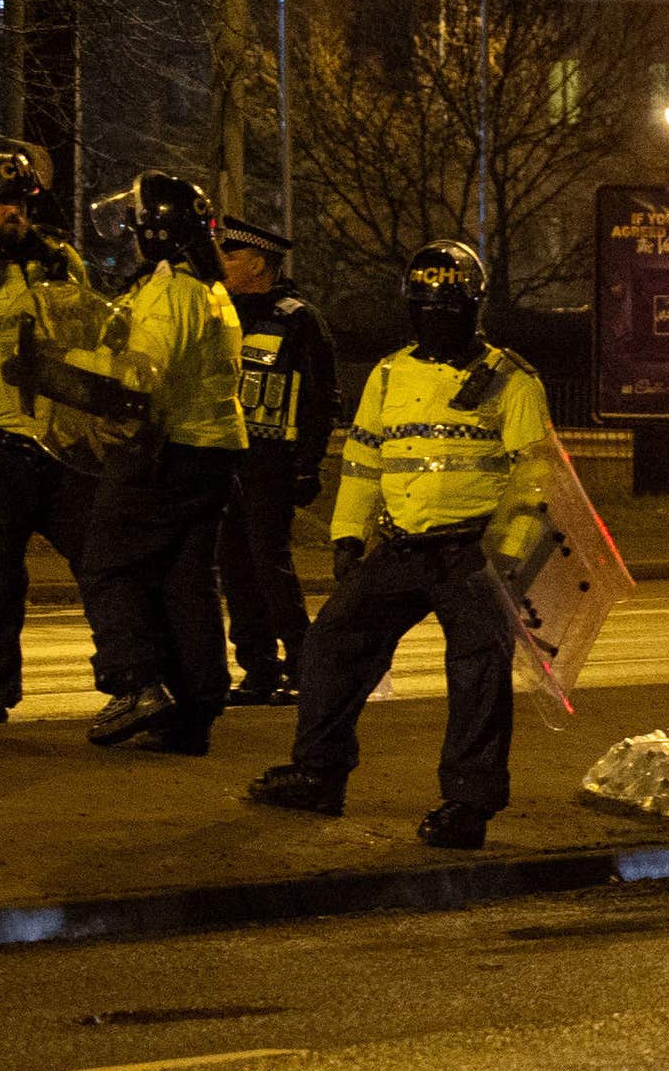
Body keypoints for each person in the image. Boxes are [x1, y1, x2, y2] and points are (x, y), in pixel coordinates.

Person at [247, 242, 551, 845]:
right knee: (332, 644)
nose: (436, 322)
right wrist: (347, 535)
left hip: (473, 552)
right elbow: (362, 461)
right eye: (425, 310)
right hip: (402, 544)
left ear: (474, 309)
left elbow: (536, 477)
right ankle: (318, 775)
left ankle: (468, 805)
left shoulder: (513, 380)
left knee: (477, 675)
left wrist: (510, 557)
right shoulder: (389, 375)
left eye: (449, 311)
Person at [79, 172, 247, 756]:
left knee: (106, 564)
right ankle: (196, 709)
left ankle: (135, 684)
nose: (127, 237)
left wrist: (64, 365)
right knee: (186, 582)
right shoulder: (212, 288)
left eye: (133, 227)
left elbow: (140, 379)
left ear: (154, 233)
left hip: (166, 455)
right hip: (213, 453)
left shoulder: (171, 289)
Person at [0, 136, 94, 725]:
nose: (17, 213)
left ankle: (132, 678)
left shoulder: (59, 262)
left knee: (105, 561)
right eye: (4, 202)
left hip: (55, 444)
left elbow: (91, 347)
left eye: (25, 204)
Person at [211, 219, 338, 706]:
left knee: (269, 566)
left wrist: (307, 464)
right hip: (226, 459)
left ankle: (304, 664)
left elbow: (320, 398)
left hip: (271, 464)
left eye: (232, 257)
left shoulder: (298, 319)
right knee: (235, 570)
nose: (222, 266)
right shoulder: (222, 314)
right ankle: (258, 669)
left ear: (258, 263)